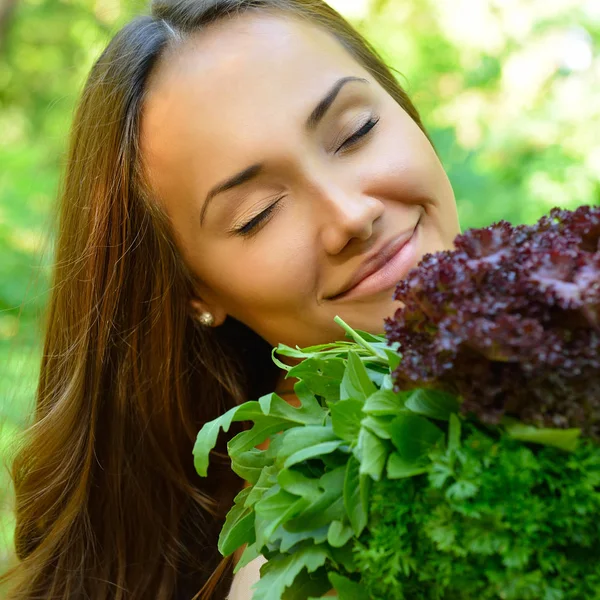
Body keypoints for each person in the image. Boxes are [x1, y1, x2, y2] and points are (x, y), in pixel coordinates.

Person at [1, 0, 461, 598]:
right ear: (197, 292)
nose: (351, 215)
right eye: (257, 215)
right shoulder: (304, 556)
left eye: (356, 132)